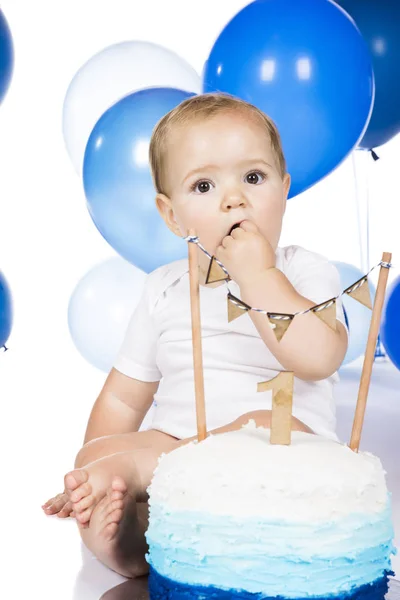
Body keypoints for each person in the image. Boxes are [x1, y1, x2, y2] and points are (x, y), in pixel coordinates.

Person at [42, 92, 348, 578]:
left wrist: (259, 278)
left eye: (253, 177)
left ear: (284, 188)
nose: (234, 198)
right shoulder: (165, 288)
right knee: (97, 452)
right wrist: (95, 474)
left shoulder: (304, 270)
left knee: (261, 424)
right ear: (171, 215)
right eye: (204, 185)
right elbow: (122, 400)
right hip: (177, 449)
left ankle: (149, 475)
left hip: (278, 456)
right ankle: (128, 544)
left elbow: (320, 358)